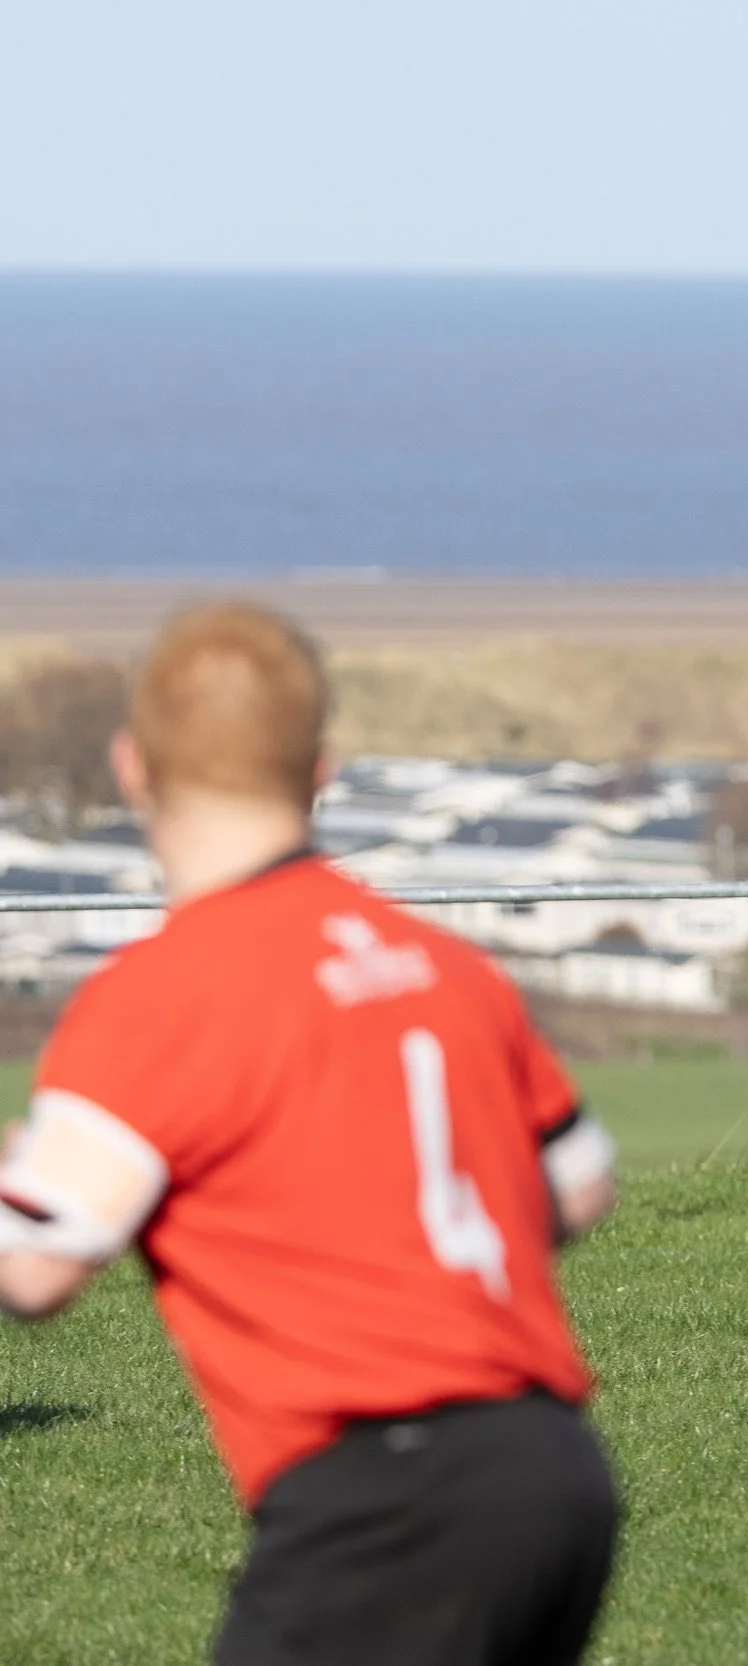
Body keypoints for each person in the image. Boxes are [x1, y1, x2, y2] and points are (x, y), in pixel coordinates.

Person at [0, 603, 622, 1665]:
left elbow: (34, 1265)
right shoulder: (444, 964)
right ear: (321, 767)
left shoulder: (162, 993)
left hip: (380, 1504)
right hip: (555, 1476)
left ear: (131, 768)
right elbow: (580, 1186)